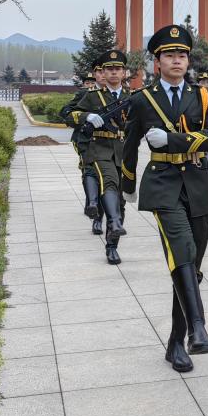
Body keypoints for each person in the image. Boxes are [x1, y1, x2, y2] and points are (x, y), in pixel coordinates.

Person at [122, 24, 208, 372]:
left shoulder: (205, 97)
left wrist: (173, 140)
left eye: (182, 54)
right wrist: (128, 183)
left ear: (188, 60)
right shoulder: (142, 99)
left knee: (191, 265)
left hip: (198, 184)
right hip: (163, 184)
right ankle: (198, 328)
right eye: (170, 55)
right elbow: (129, 143)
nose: (177, 60)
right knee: (181, 250)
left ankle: (176, 341)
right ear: (158, 62)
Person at [67, 50, 131, 264]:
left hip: (122, 151)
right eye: (109, 69)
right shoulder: (93, 96)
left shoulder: (131, 96)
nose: (113, 72)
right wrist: (87, 116)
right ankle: (112, 224)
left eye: (117, 69)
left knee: (120, 201)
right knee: (109, 182)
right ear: (102, 72)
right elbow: (69, 115)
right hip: (99, 149)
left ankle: (112, 244)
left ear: (124, 72)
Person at [61, 70, 103, 235]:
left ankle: (94, 204)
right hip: (86, 140)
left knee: (105, 179)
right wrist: (85, 117)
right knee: (90, 172)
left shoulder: (118, 93)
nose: (90, 85)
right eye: (88, 82)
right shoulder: (84, 95)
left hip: (110, 144)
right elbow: (66, 112)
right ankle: (93, 207)